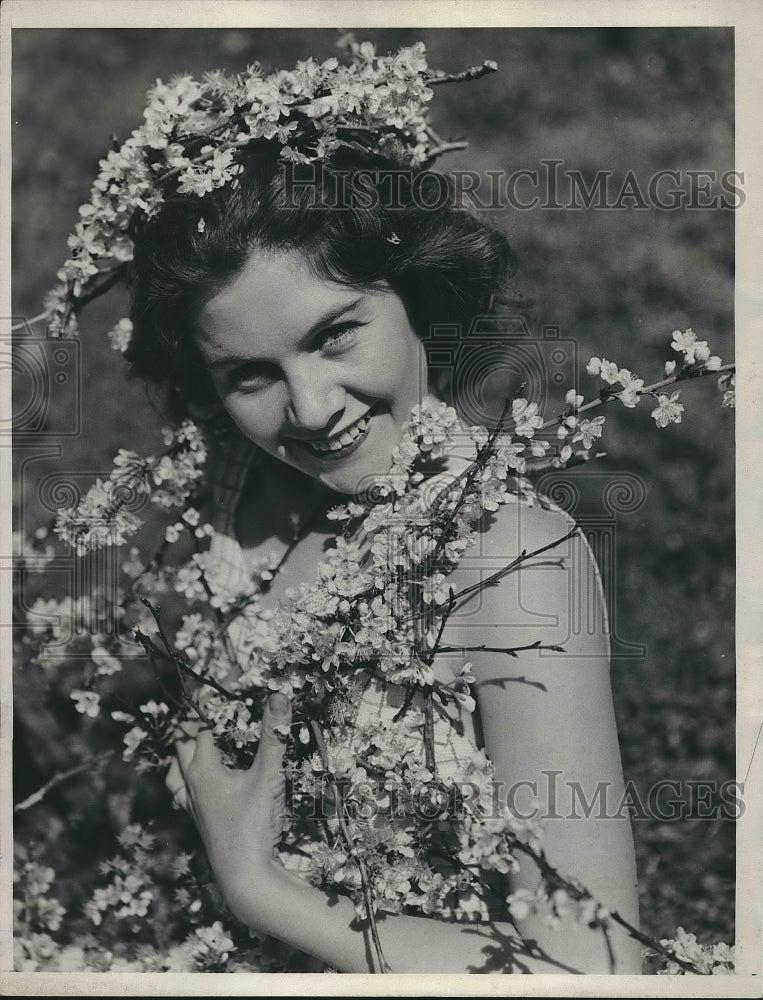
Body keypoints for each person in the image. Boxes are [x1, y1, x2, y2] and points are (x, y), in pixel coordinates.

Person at [124, 139, 642, 974]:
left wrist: (258, 888)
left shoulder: (510, 561)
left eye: (334, 337)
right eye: (251, 375)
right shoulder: (230, 477)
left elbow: (592, 970)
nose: (311, 409)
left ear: (414, 288)